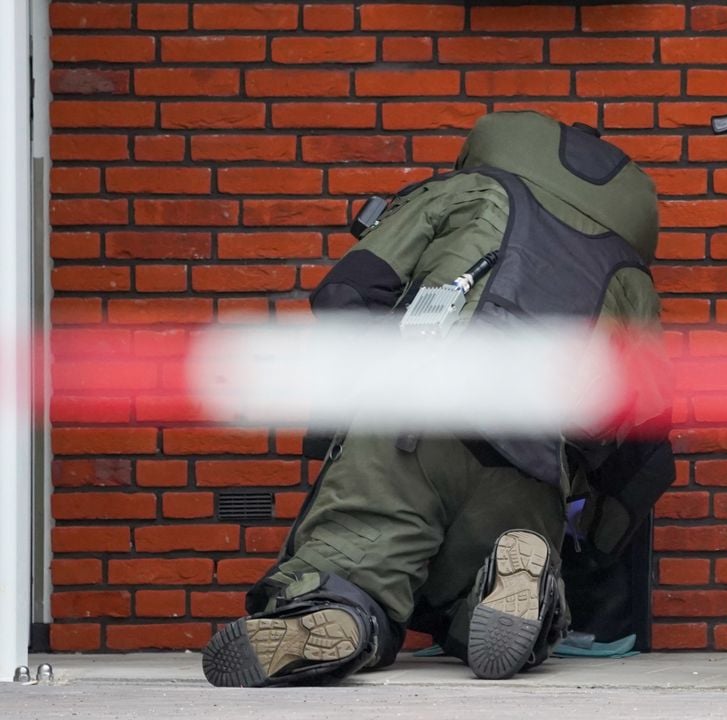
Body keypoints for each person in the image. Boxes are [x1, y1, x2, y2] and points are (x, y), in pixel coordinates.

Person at [200, 111, 673, 687]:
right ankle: (520, 569)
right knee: (466, 607)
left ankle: (333, 615)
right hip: (533, 465)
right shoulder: (632, 277)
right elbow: (646, 446)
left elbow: (346, 293)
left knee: (350, 568)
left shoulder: (468, 192)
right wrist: (587, 539)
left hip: (410, 423)